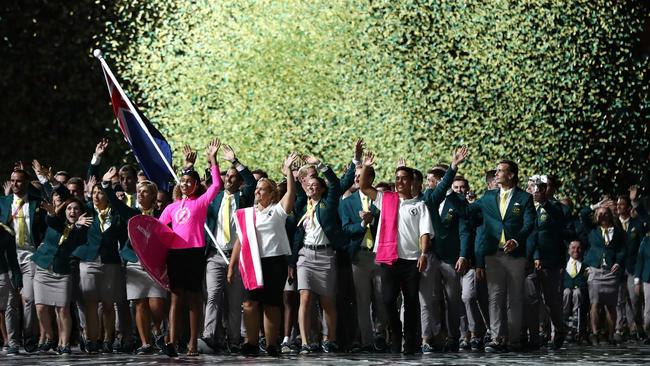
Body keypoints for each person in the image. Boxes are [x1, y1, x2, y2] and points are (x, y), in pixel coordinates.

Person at [359, 152, 433, 355]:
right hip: (389, 259)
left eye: (404, 178)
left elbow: (425, 233)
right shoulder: (386, 199)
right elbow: (364, 186)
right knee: (388, 300)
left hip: (411, 261)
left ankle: (410, 343)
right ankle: (396, 336)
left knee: (410, 303)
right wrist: (365, 165)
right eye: (397, 178)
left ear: (412, 182)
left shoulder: (420, 205)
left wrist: (424, 254)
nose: (399, 181)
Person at [227, 152, 298, 356]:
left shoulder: (277, 210)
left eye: (262, 189)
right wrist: (232, 266)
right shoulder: (247, 214)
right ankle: (250, 342)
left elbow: (291, 195)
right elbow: (241, 240)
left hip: (274, 262)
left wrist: (289, 173)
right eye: (256, 189)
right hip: (252, 262)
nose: (257, 192)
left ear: (271, 193)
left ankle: (271, 344)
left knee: (271, 304)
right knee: (249, 303)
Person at [157, 138, 223, 357]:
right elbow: (158, 229)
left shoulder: (201, 203)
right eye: (182, 181)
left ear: (195, 186)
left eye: (189, 181)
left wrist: (212, 160)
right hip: (175, 255)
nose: (184, 184)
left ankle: (193, 343)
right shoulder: (171, 207)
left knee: (194, 298)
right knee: (176, 298)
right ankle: (172, 342)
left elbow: (216, 186)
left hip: (194, 253)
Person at [470, 160, 535, 352]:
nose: (496, 173)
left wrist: (517, 240)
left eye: (500, 171)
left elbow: (529, 223)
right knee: (495, 297)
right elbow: (468, 212)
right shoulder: (488, 196)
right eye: (496, 171)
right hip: (493, 255)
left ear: (511, 175)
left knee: (514, 297)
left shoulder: (524, 198)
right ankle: (498, 338)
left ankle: (514, 339)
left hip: (515, 255)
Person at [101, 167, 168, 355]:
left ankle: (157, 331)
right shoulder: (131, 214)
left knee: (156, 304)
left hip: (156, 266)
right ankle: (146, 343)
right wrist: (106, 185)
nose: (140, 194)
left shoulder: (163, 216)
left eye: (145, 192)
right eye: (138, 192)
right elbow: (113, 201)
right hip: (135, 265)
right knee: (139, 304)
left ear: (153, 196)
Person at [200, 144, 256, 354]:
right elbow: (211, 183)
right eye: (226, 176)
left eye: (233, 177)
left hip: (237, 255)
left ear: (238, 181)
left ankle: (234, 339)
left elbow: (251, 181)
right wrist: (212, 160)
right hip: (214, 254)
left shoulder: (244, 198)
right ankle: (209, 336)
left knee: (234, 301)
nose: (228, 179)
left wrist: (235, 161)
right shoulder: (214, 197)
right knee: (213, 296)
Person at [418, 148, 468, 353]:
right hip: (430, 254)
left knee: (452, 299)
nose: (428, 183)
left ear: (440, 180)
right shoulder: (428, 197)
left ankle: (453, 336)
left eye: (431, 180)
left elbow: (465, 230)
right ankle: (432, 337)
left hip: (450, 257)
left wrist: (463, 254)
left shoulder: (458, 201)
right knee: (430, 298)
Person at [292, 156, 343, 354]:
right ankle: (305, 342)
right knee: (304, 297)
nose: (311, 188)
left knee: (327, 301)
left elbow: (336, 183)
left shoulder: (327, 204)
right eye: (309, 185)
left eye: (315, 185)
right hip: (305, 256)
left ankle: (330, 339)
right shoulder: (303, 206)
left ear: (321, 189)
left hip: (325, 255)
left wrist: (321, 165)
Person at [33, 198, 91, 354]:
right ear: (64, 211)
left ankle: (64, 344)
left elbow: (75, 240)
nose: (72, 212)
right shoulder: (57, 222)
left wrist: (78, 226)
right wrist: (52, 213)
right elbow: (51, 221)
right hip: (43, 267)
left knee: (63, 310)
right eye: (69, 209)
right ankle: (51, 337)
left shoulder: (82, 229)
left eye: (76, 209)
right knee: (40, 308)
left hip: (62, 271)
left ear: (81, 212)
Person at [340, 164, 387, 353]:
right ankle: (367, 342)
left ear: (371, 179)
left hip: (380, 255)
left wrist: (373, 219)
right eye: (356, 176)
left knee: (382, 297)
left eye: (362, 176)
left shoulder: (381, 200)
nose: (358, 179)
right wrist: (362, 223)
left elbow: (389, 224)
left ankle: (381, 334)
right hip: (359, 256)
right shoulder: (347, 203)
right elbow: (346, 229)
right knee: (362, 300)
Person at [2, 168, 46, 355]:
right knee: (11, 301)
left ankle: (29, 336)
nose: (15, 184)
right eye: (12, 180)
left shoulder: (37, 203)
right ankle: (13, 341)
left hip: (30, 256)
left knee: (29, 298)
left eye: (19, 181)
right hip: (8, 257)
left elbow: (45, 226)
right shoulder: (3, 202)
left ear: (26, 183)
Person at [524, 176, 567, 349]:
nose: (538, 190)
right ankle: (536, 335)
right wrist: (533, 256)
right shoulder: (527, 207)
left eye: (542, 187)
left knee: (551, 301)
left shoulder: (556, 207)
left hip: (550, 261)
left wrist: (545, 203)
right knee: (532, 299)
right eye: (534, 187)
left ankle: (559, 329)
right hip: (531, 260)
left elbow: (559, 220)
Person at [580, 201, 626, 345]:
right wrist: (596, 205)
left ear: (610, 215)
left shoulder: (618, 232)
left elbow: (623, 249)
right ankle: (594, 333)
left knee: (611, 304)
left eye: (605, 213)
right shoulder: (592, 230)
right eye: (599, 214)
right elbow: (582, 213)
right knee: (595, 302)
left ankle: (611, 333)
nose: (602, 216)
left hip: (611, 271)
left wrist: (618, 262)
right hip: (595, 269)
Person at [563, 240, 588, 343]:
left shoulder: (585, 265)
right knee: (567, 292)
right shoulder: (563, 264)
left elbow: (584, 282)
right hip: (565, 294)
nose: (576, 250)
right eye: (573, 248)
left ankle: (576, 328)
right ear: (569, 250)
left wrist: (577, 288)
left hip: (579, 295)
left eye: (578, 248)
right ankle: (563, 327)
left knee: (577, 293)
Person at [634, 232, 650, 344]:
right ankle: (649, 333)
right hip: (648, 278)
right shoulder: (646, 240)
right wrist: (637, 280)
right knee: (648, 310)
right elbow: (640, 260)